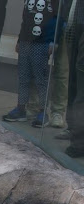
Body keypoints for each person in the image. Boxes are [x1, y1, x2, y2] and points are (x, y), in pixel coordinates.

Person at [2, 0, 59, 127]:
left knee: (41, 78)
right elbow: (25, 19)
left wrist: (54, 41)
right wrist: (19, 39)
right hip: (26, 41)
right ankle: (21, 108)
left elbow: (59, 18)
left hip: (43, 42)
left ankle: (43, 112)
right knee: (23, 76)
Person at [65, 0, 84, 156]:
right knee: (73, 85)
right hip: (74, 27)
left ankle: (78, 142)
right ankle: (73, 130)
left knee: (81, 91)